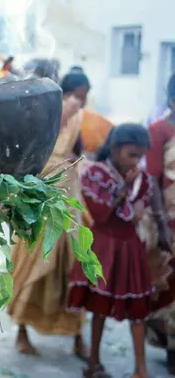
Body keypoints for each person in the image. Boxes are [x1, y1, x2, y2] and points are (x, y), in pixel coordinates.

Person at [7, 73, 90, 358]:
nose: (82, 100)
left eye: (84, 95)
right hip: (45, 190)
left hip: (61, 191)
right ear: (67, 93)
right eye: (80, 94)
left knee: (71, 262)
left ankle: (77, 334)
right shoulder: (52, 112)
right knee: (39, 260)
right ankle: (23, 331)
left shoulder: (69, 115)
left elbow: (78, 152)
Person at [68, 124, 153, 378]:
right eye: (132, 155)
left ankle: (141, 369)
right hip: (105, 247)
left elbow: (138, 213)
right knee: (100, 308)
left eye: (141, 156)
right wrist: (125, 190)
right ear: (115, 149)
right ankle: (93, 363)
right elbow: (100, 215)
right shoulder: (95, 174)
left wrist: (138, 202)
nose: (136, 162)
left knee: (138, 311)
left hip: (129, 248)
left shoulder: (141, 178)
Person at [139, 73, 175, 375]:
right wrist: (162, 225)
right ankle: (171, 347)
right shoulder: (159, 130)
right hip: (169, 221)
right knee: (168, 285)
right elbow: (151, 180)